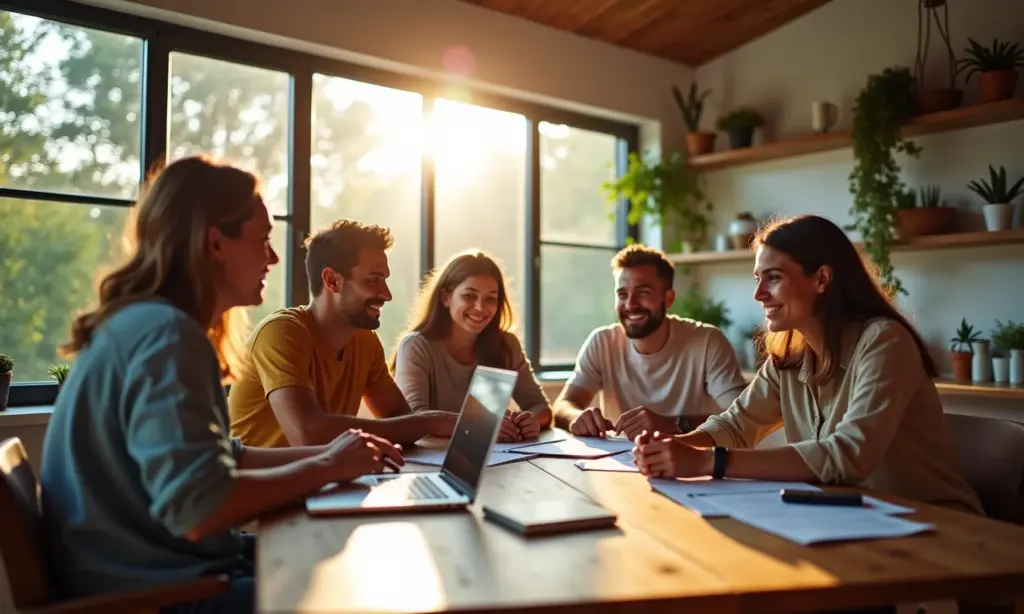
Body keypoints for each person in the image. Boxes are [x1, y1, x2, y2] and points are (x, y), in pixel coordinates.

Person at [40, 156, 404, 614]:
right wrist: (327, 467)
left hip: (159, 566)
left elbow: (226, 459)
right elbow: (199, 508)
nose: (273, 258)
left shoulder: (148, 324)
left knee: (361, 561)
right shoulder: (166, 336)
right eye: (263, 240)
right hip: (150, 592)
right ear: (215, 243)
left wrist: (335, 454)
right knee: (363, 594)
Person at [633, 214, 983, 516]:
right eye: (758, 278)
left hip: (934, 526)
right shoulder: (789, 354)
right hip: (851, 520)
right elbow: (737, 426)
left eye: (773, 277)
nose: (758, 295)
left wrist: (707, 462)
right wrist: (672, 449)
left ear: (821, 279)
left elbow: (847, 456)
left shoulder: (884, 341)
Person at [228, 219, 456, 448]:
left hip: (319, 480)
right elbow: (308, 435)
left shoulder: (365, 341)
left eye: (384, 280)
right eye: (373, 280)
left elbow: (400, 421)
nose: (386, 295)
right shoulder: (281, 333)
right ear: (332, 281)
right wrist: (427, 422)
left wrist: (423, 423)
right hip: (262, 481)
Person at [553, 244, 747, 441]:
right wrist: (576, 417)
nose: (630, 304)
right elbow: (563, 405)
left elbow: (743, 417)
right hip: (617, 465)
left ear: (668, 298)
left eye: (643, 292)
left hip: (693, 464)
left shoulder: (707, 342)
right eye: (622, 294)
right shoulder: (601, 342)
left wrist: (670, 424)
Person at [391, 250, 551, 443]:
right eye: (469, 296)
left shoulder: (506, 345)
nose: (480, 308)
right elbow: (414, 418)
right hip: (432, 460)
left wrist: (530, 420)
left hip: (494, 461)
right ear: (445, 298)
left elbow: (541, 407)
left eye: (490, 298)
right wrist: (480, 424)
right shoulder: (416, 346)